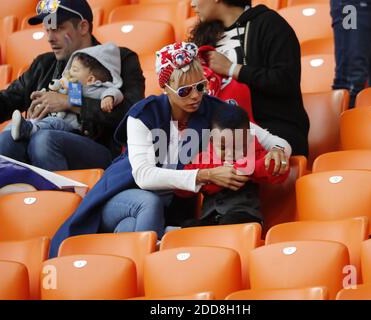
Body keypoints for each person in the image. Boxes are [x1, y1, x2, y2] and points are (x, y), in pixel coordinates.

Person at [49, 42, 292, 257]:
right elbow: (143, 176)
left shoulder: (213, 109)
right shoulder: (143, 114)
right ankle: (148, 269)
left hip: (170, 207)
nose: (196, 96)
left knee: (130, 228)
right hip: (123, 193)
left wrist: (278, 153)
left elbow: (276, 142)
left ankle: (130, 269)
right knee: (148, 203)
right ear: (165, 88)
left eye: (201, 86)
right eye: (185, 91)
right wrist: (205, 175)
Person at [0, 0, 145, 171]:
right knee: (7, 138)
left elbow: (134, 114)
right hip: (41, 149)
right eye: (47, 30)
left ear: (83, 27)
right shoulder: (44, 64)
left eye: (57, 28)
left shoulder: (120, 59)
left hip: (100, 154)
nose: (50, 38)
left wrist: (70, 102)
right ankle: (9, 195)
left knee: (44, 139)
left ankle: (60, 196)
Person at [189, 0, 310, 157]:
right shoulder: (203, 36)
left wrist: (232, 69)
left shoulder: (269, 24)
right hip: (220, 133)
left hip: (273, 130)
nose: (192, 4)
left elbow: (285, 80)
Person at [176, 103, 290, 227]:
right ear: (212, 140)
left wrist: (245, 169)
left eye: (238, 147)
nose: (230, 154)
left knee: (229, 223)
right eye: (223, 147)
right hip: (210, 218)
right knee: (188, 227)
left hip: (244, 216)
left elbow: (277, 172)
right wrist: (207, 176)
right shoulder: (203, 158)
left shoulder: (256, 154)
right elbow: (181, 188)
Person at [10, 42, 124, 141]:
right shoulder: (74, 85)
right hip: (58, 119)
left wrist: (109, 98)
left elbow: (115, 92)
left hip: (72, 129)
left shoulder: (98, 88)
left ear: (91, 79)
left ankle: (30, 129)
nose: (69, 73)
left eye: (75, 70)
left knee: (53, 123)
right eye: (70, 69)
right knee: (17, 127)